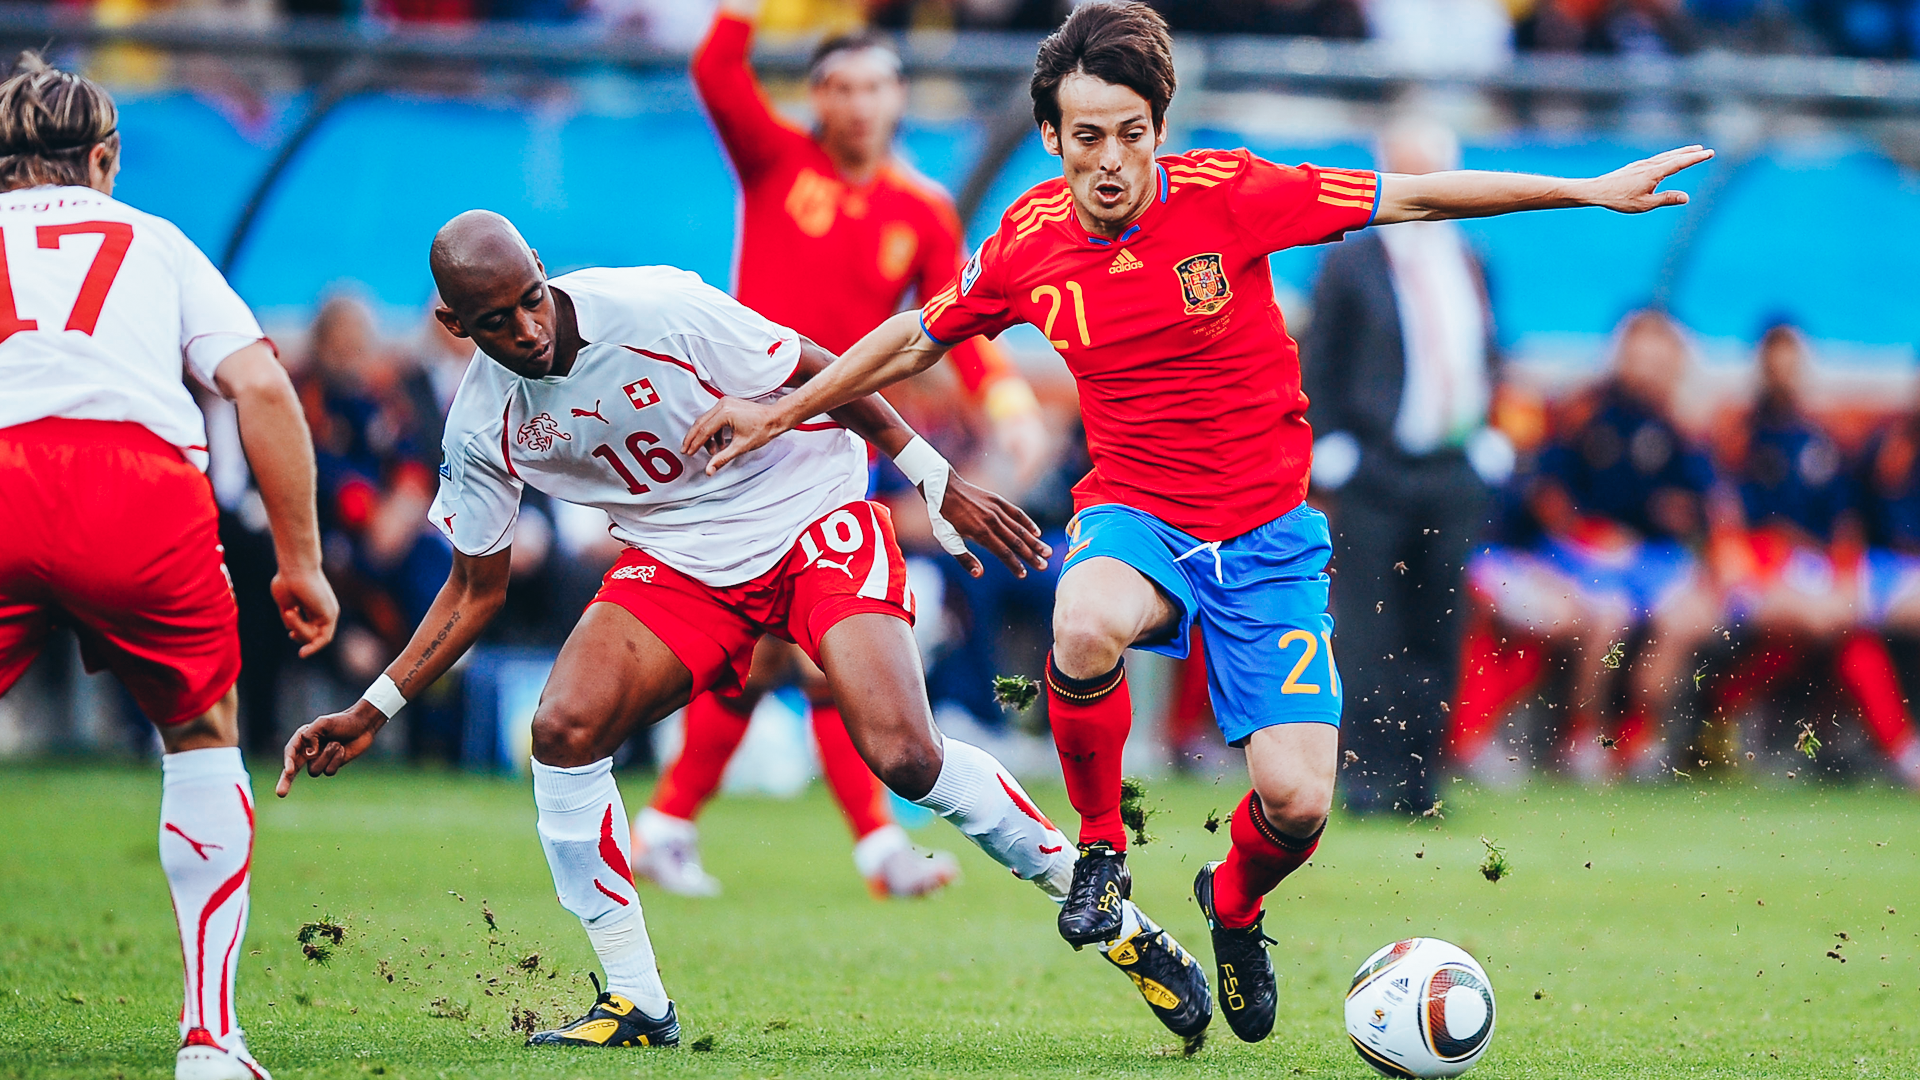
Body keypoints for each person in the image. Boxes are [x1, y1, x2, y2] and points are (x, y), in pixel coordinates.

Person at [684, 0, 1712, 1044]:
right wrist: (779, 408)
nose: (1113, 158)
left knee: (1300, 801)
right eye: (1089, 135)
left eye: (1133, 132)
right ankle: (1099, 851)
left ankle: (1233, 902)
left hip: (1269, 540)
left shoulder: (1234, 194)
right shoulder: (1028, 242)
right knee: (1081, 622)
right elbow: (913, 338)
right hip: (1137, 514)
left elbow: (1419, 198)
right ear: (1054, 138)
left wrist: (1582, 188)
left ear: (1158, 130)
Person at [276, 211, 1213, 1049]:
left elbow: (812, 365)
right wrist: (373, 707)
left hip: (810, 508)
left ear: (542, 271)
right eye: (496, 321)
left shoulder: (651, 309)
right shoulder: (481, 421)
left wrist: (936, 478)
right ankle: (637, 1002)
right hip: (682, 564)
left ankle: (1118, 921)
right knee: (561, 731)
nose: (526, 328)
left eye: (531, 300)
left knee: (904, 755)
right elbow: (473, 588)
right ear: (453, 328)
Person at [635, 0, 1056, 900]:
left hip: (843, 450)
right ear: (815, 99)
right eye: (838, 87)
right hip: (746, 437)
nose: (857, 104)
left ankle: (686, 827)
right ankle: (848, 843)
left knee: (809, 647)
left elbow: (962, 321)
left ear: (899, 96)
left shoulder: (922, 208)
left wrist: (1009, 395)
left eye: (873, 86)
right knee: (785, 647)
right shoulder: (777, 161)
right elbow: (714, 72)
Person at [0, 53, 338, 1080]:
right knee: (201, 734)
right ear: (105, 159)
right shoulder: (157, 241)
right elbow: (262, 391)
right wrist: (300, 563)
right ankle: (208, 1040)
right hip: (139, 489)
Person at [1302, 114, 1509, 815]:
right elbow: (1319, 357)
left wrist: (1487, 429)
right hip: (1375, 469)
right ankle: (1366, 776)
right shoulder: (1350, 257)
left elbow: (1487, 353)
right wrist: (1332, 445)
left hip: (1452, 469)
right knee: (1368, 626)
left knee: (1438, 626)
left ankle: (1424, 777)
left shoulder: (1471, 257)